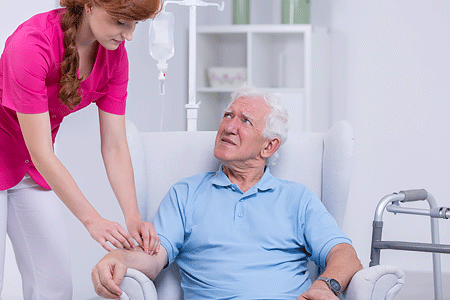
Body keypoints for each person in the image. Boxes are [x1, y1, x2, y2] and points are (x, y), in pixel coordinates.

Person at [91, 86, 363, 300]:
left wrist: (325, 285)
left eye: (245, 121)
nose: (229, 126)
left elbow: (345, 254)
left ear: (269, 147)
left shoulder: (298, 199)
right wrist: (119, 257)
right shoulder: (185, 193)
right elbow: (153, 259)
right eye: (228, 115)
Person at [0, 0, 163, 298]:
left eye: (135, 25)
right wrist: (93, 221)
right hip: (20, 156)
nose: (129, 36)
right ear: (89, 5)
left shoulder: (114, 56)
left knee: (56, 287)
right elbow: (41, 150)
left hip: (32, 171)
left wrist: (133, 217)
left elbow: (114, 144)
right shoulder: (32, 44)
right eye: (120, 22)